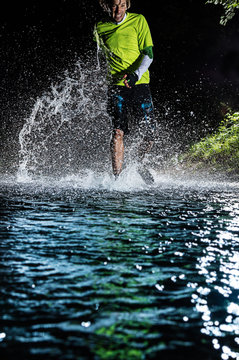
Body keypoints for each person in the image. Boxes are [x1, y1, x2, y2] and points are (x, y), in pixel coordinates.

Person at [94, 0, 156, 182]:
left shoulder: (139, 20)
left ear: (127, 5)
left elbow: (149, 53)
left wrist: (135, 75)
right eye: (114, 5)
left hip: (140, 82)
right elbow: (100, 56)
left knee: (150, 132)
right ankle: (117, 179)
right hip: (116, 85)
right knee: (118, 131)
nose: (118, 10)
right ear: (106, 6)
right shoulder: (99, 27)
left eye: (122, 5)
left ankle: (139, 164)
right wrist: (99, 78)